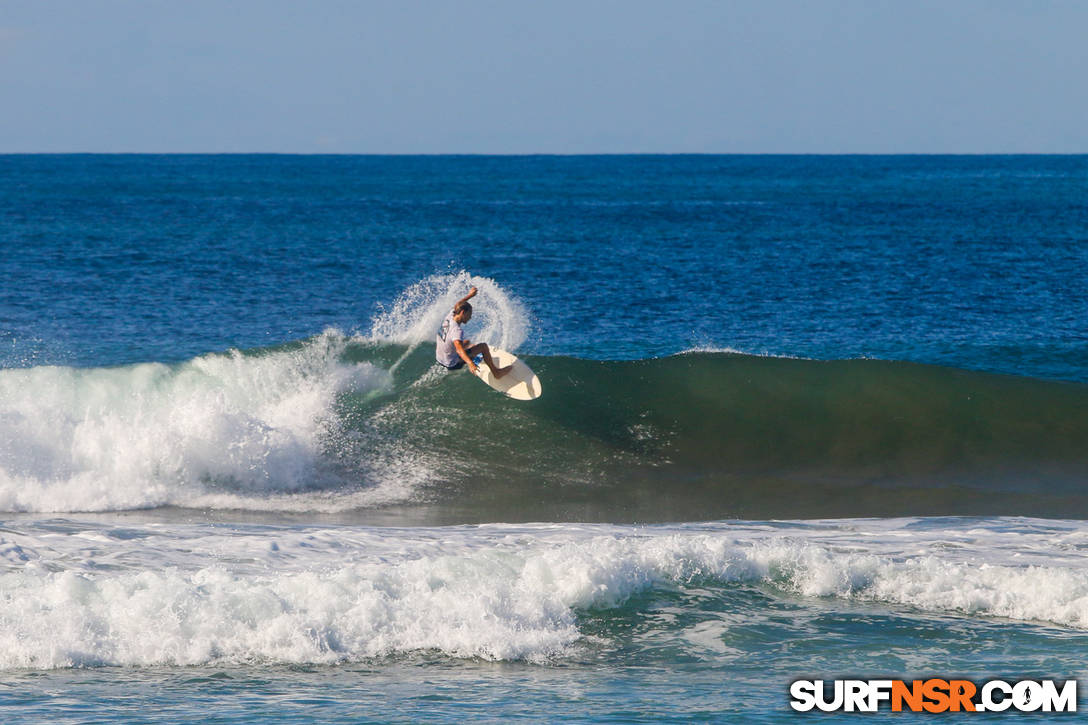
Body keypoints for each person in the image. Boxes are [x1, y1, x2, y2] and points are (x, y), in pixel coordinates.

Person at [436, 287, 512, 378]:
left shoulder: (450, 315)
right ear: (463, 313)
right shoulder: (456, 330)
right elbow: (459, 350)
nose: (470, 318)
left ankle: (473, 353)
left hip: (440, 358)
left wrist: (470, 295)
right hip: (452, 364)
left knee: (467, 342)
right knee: (483, 346)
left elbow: (457, 304)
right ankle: (496, 373)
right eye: (469, 315)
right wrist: (470, 363)